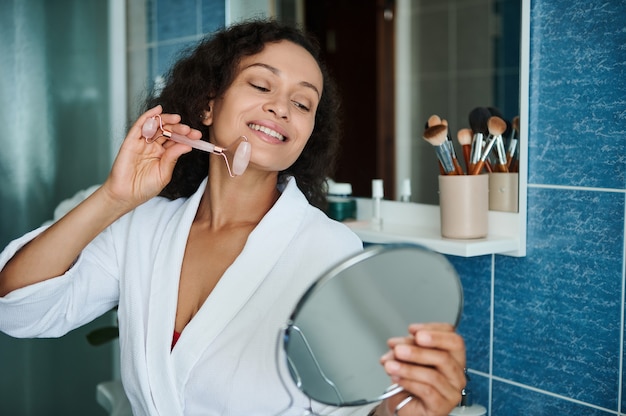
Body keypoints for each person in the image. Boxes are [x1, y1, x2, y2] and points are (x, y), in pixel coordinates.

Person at [0, 19, 465, 415]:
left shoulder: (326, 250)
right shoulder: (144, 225)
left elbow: (343, 402)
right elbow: (20, 308)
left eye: (302, 104)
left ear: (307, 135)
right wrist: (115, 197)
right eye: (261, 85)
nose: (281, 107)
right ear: (208, 103)